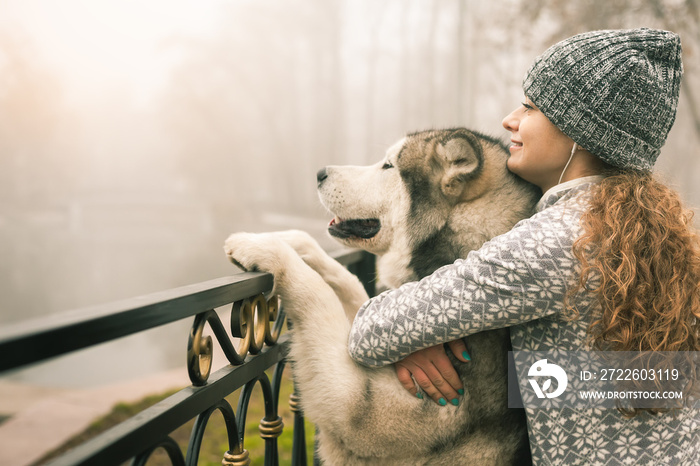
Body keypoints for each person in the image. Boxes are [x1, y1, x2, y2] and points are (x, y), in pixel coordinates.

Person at [347, 28, 700, 464]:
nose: (510, 120)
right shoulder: (654, 230)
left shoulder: (553, 243)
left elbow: (370, 332)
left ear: (579, 131)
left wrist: (415, 334)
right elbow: (657, 380)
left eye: (531, 107)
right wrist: (457, 335)